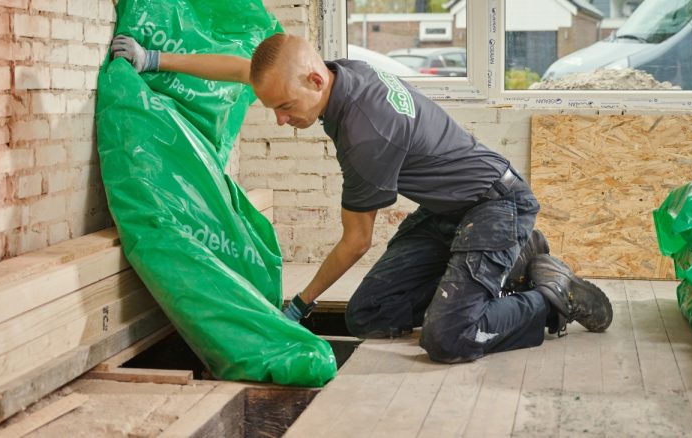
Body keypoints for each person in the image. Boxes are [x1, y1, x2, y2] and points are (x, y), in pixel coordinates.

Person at [111, 32, 612, 364]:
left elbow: (355, 241)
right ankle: (508, 260)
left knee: (448, 339)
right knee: (368, 315)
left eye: (284, 108)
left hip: (496, 205)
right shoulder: (335, 73)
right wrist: (153, 60)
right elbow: (247, 69)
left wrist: (299, 306)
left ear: (313, 82)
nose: (280, 121)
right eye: (273, 110)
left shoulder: (365, 134)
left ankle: (547, 299)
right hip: (448, 212)